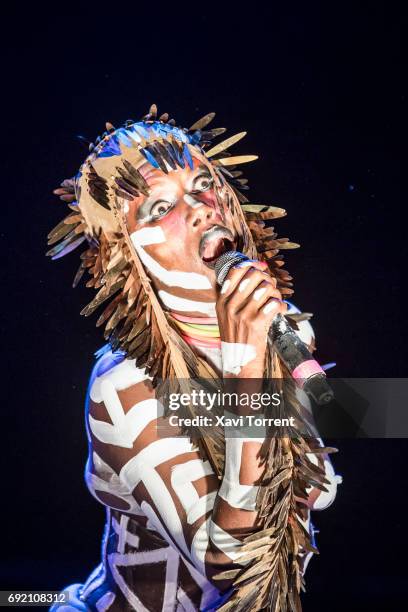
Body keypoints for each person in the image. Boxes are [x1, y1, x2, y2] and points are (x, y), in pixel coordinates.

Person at [47, 105, 341, 611]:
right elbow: (230, 560)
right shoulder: (122, 386)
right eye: (161, 209)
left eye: (204, 183)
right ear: (128, 254)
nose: (202, 207)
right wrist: (247, 367)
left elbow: (331, 452)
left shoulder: (282, 327)